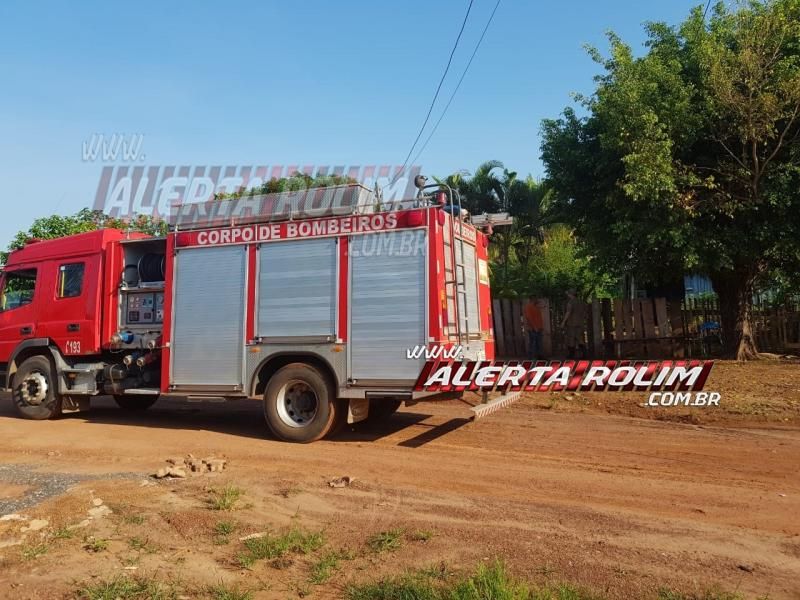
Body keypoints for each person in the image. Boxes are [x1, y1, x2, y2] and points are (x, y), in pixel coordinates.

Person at [560, 289, 585, 359]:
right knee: (579, 338)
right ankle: (584, 354)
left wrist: (563, 322)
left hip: (572, 323)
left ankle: (571, 355)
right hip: (580, 322)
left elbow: (568, 312)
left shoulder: (570, 302)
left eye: (568, 294)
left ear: (570, 294)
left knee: (571, 338)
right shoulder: (581, 302)